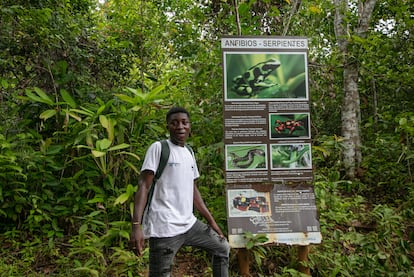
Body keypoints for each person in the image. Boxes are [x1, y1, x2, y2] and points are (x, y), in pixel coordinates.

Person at [130, 106, 230, 277]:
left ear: (190, 126)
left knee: (222, 248)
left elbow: (193, 190)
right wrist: (136, 226)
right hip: (164, 228)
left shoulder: (189, 152)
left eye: (184, 122)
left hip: (189, 224)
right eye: (174, 123)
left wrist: (211, 222)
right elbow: (144, 186)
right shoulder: (159, 148)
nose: (180, 127)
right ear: (168, 126)